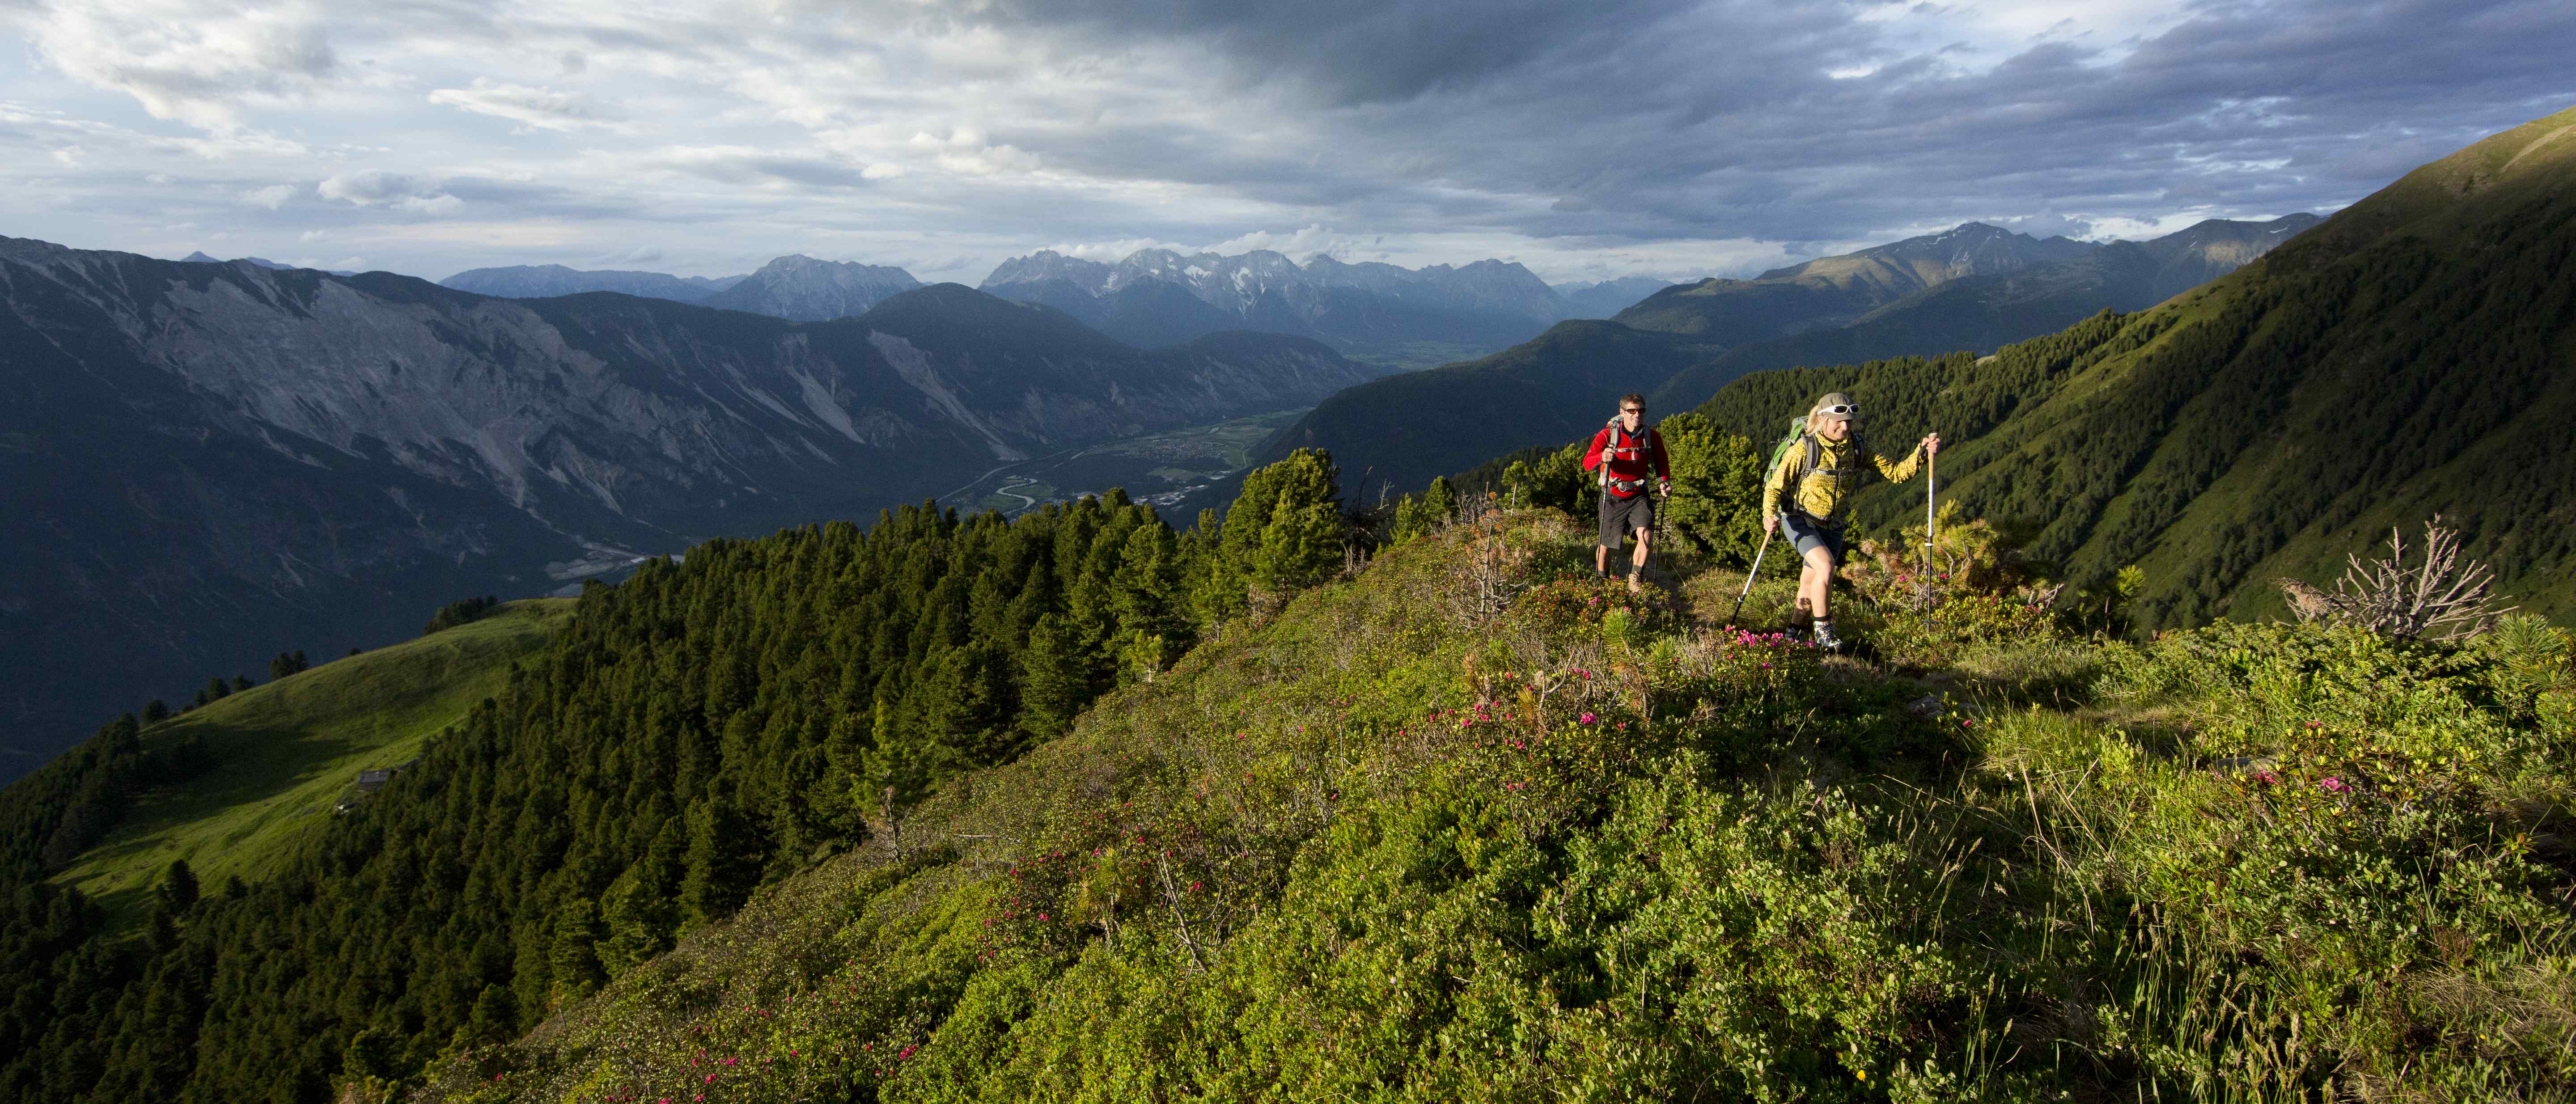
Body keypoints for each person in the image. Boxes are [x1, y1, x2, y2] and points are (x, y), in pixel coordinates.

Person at [1760, 392, 1938, 650]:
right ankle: (1825, 633)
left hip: (1833, 526)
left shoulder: (1857, 448)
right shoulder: (1805, 448)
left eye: (1849, 422)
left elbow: (1897, 473)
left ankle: (1794, 633)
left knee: (1810, 582)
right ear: (1823, 419)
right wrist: (1769, 514)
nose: (1845, 427)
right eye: (1839, 422)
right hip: (1800, 519)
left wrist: (1921, 454)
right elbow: (1776, 486)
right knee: (1826, 568)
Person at [1581, 393, 1670, 591]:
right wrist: (1602, 457)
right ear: (1622, 413)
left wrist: (1664, 483)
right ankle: (1603, 583)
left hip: (1639, 495)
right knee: (1605, 546)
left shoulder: (1651, 437)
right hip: (1612, 496)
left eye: (1641, 410)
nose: (1636, 414)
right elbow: (1587, 463)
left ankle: (1635, 579)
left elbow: (1662, 464)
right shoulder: (1607, 436)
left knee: (1646, 535)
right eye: (1632, 411)